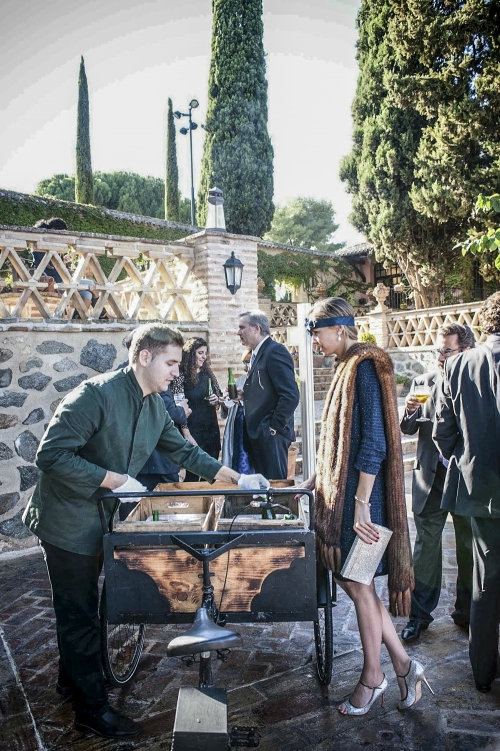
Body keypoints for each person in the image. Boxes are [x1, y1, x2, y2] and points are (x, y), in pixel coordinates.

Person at [22, 323, 269, 739]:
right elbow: (50, 456)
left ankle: (72, 682)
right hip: (65, 521)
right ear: (144, 357)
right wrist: (115, 480)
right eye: (171, 362)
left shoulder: (154, 405)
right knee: (78, 612)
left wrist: (236, 478)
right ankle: (91, 710)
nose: (178, 371)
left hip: (102, 519)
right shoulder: (93, 395)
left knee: (84, 608)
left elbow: (185, 451)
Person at [302, 297, 431, 715]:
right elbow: (342, 443)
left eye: (317, 332)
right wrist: (317, 479)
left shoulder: (367, 368)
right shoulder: (346, 366)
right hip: (348, 499)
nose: (314, 341)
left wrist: (360, 506)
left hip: (364, 502)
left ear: (339, 329)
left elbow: (373, 442)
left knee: (359, 586)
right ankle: (404, 665)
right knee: (354, 583)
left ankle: (372, 678)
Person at [434, 292, 500, 693]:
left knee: (484, 580)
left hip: (480, 489)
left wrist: (464, 458)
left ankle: (482, 672)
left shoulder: (457, 365)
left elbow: (444, 433)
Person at [400, 324, 474, 642]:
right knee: (426, 546)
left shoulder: (477, 383)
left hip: (465, 479)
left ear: (467, 351)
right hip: (429, 477)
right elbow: (407, 427)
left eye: (447, 350)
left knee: (468, 545)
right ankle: (419, 616)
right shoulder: (423, 382)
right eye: (438, 350)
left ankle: (467, 612)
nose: (440, 357)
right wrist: (408, 411)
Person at [237, 311, 299, 479]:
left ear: (256, 328)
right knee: (263, 487)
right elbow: (268, 388)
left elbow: (291, 395)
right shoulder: (257, 353)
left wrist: (272, 428)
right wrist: (246, 394)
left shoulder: (275, 351)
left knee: (275, 487)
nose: (238, 332)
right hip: (259, 435)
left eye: (242, 327)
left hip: (272, 437)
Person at [171, 337, 223, 482]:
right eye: (200, 353)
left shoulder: (208, 374)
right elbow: (177, 406)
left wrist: (217, 399)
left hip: (210, 428)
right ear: (190, 353)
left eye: (205, 353)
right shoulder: (180, 376)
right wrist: (186, 433)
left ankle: (209, 502)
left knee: (211, 472)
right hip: (192, 429)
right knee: (192, 473)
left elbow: (218, 394)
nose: (204, 356)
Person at [221, 349, 255, 473]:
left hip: (251, 426)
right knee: (238, 458)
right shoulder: (239, 380)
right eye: (244, 362)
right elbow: (228, 407)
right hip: (238, 427)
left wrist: (242, 401)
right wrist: (224, 401)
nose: (246, 365)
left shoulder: (260, 381)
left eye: (249, 361)